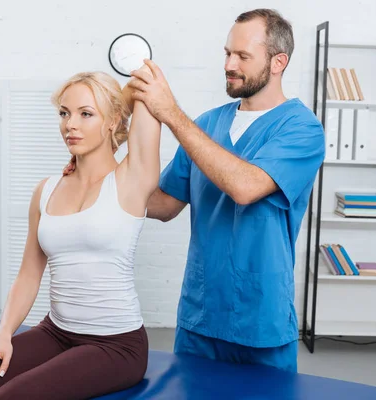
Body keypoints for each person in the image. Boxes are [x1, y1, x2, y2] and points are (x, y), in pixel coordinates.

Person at [0, 67, 161, 400]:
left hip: (116, 345)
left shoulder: (132, 179)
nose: (70, 124)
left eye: (86, 114)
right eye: (64, 113)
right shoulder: (46, 190)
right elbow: (29, 274)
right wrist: (3, 335)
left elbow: (146, 86)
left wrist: (114, 100)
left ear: (113, 120)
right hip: (56, 332)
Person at [127, 8, 326, 373]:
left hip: (260, 321)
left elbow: (245, 187)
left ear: (278, 62)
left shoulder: (302, 129)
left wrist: (171, 113)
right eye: (227, 53)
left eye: (243, 57)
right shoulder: (208, 124)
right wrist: (100, 172)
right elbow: (162, 204)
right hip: (200, 317)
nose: (229, 64)